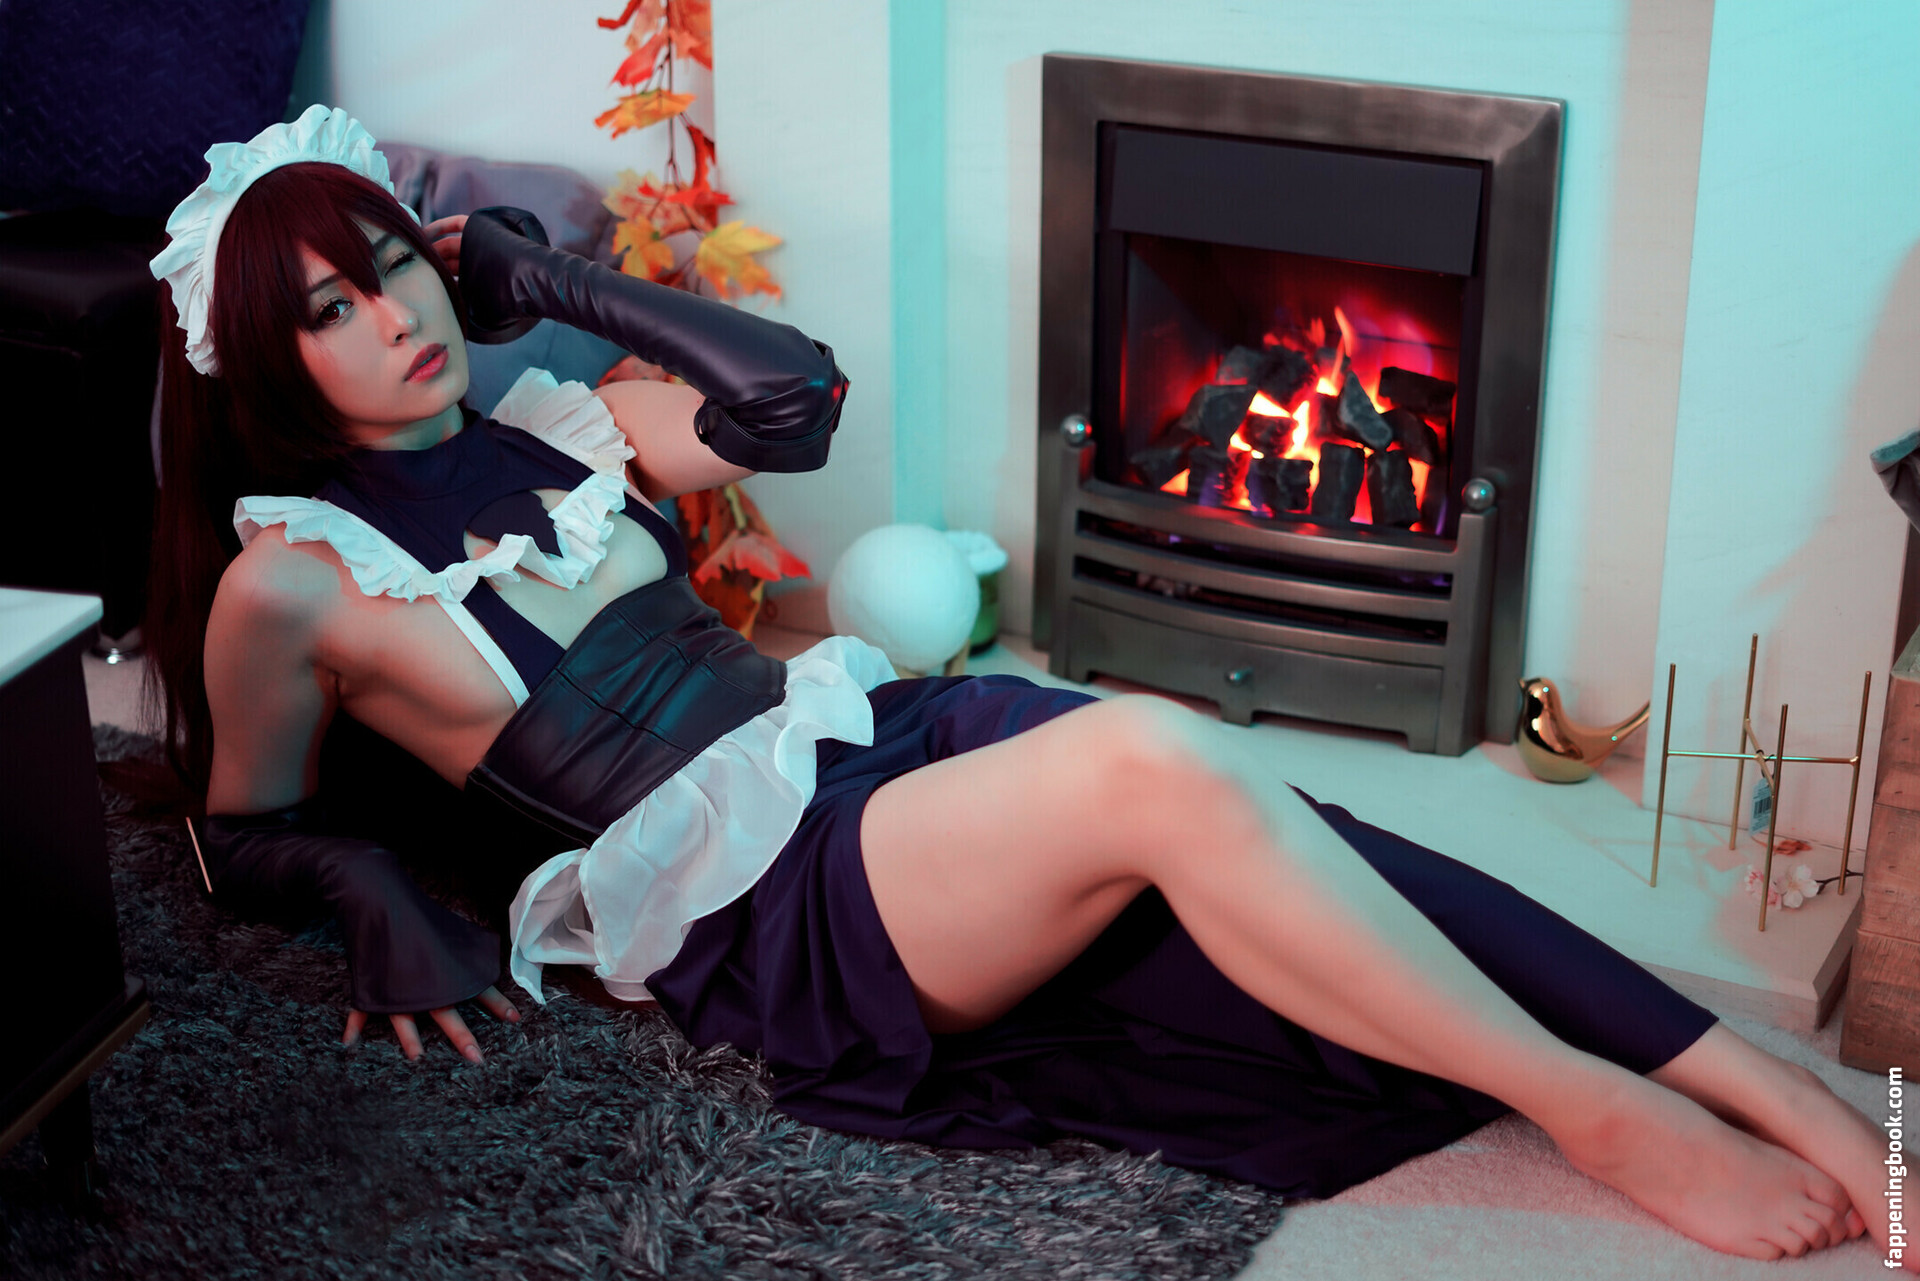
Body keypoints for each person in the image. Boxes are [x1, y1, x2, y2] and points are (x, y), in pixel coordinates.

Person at [139, 106, 1904, 1269]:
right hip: (764, 912)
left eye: (395, 267)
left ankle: (1790, 1096)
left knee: (1310, 829)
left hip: (868, 744)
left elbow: (792, 399)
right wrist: (376, 895)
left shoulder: (567, 426)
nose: (396, 319)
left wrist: (546, 283)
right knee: (1159, 761)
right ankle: (1602, 1111)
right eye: (331, 310)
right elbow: (239, 827)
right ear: (265, 359)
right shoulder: (292, 578)